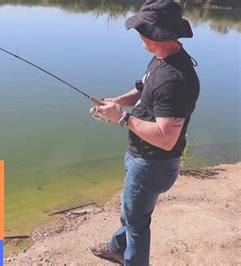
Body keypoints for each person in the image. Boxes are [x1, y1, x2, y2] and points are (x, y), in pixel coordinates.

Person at [89, 0, 200, 265]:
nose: (138, 34)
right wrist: (118, 101)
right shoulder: (164, 58)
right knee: (132, 214)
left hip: (152, 164)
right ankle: (117, 247)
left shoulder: (173, 79)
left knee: (137, 222)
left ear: (156, 33)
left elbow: (166, 137)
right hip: (143, 158)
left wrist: (122, 118)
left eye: (142, 29)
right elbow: (143, 89)